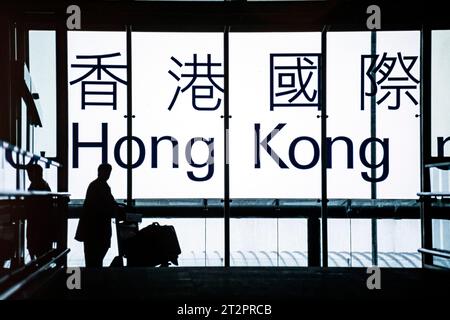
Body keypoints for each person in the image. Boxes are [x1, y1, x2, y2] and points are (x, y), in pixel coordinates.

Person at [75, 164, 118, 267]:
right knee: (96, 258)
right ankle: (94, 280)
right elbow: (109, 205)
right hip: (97, 230)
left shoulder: (95, 185)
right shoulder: (102, 187)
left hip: (92, 231)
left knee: (92, 259)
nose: (108, 175)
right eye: (107, 172)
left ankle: (91, 280)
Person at [26, 164, 53, 259]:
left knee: (38, 250)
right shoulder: (43, 185)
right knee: (42, 253)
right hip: (42, 226)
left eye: (29, 173)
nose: (28, 176)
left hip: (37, 225)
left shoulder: (36, 186)